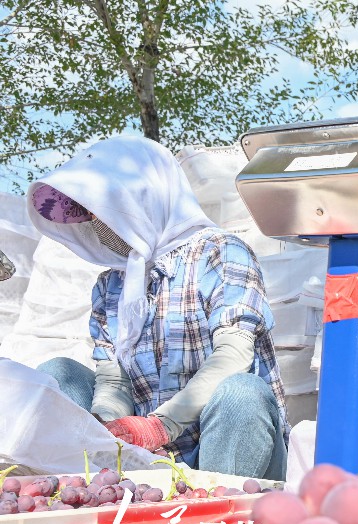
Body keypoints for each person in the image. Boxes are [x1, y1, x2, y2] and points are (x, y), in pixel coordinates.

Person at [27, 135, 288, 480]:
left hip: (228, 447)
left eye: (103, 211)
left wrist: (161, 426)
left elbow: (233, 355)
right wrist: (111, 429)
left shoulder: (220, 252)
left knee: (241, 392)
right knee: (57, 374)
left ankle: (215, 506)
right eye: (91, 216)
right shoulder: (111, 286)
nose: (99, 225)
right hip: (156, 459)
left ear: (142, 198)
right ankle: (97, 491)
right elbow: (114, 381)